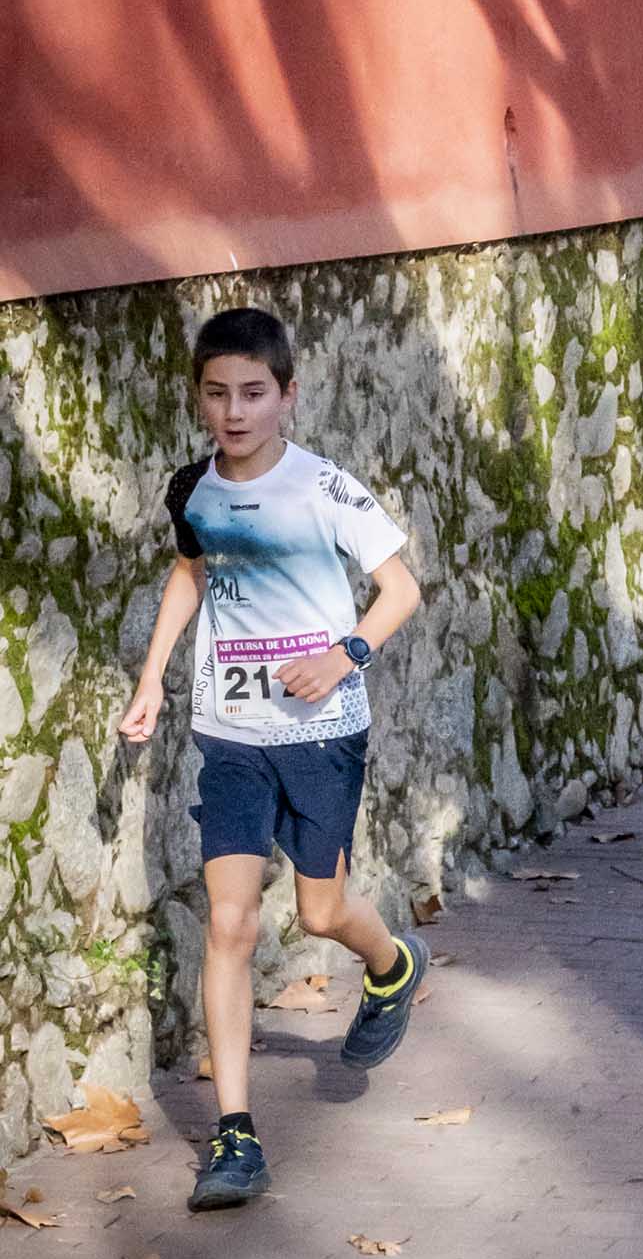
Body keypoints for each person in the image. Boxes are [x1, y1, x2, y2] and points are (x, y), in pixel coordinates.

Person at [119, 308, 427, 1212]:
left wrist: (344, 655)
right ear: (198, 398)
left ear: (288, 395)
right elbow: (191, 571)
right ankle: (236, 1136)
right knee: (231, 921)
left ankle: (392, 966)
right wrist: (154, 678)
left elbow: (400, 589)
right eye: (217, 394)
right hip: (230, 732)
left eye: (253, 393)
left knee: (322, 910)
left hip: (322, 729)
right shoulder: (193, 489)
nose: (235, 411)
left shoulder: (324, 487)